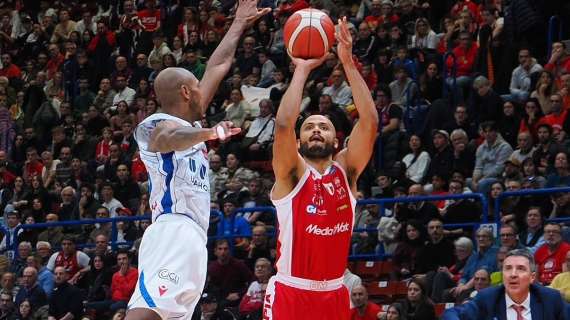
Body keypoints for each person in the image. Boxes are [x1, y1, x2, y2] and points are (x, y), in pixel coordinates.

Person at [125, 1, 270, 319]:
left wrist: (239, 24)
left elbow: (219, 65)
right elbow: (170, 140)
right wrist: (210, 133)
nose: (204, 92)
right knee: (147, 311)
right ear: (186, 93)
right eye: (197, 87)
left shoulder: (188, 124)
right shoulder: (153, 126)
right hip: (172, 229)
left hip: (194, 235)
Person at [262, 18, 378, 319]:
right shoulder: (292, 175)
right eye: (310, 127)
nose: (316, 130)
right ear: (298, 144)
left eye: (323, 127)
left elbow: (370, 123)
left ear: (336, 141)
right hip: (291, 291)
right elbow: (285, 125)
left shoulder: (346, 172)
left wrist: (348, 63)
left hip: (335, 293)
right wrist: (301, 70)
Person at [442, 249, 569, 320]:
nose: (513, 274)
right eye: (508, 268)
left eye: (520, 268)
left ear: (532, 277)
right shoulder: (488, 297)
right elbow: (452, 314)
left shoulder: (550, 298)